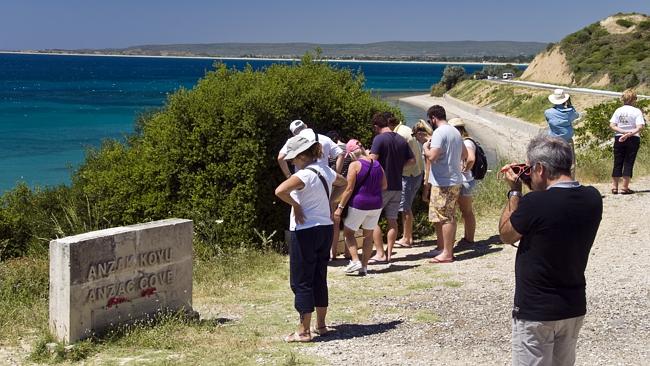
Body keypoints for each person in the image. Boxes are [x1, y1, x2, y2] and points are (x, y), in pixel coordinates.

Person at [498, 135, 602, 365]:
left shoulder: (534, 203)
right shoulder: (593, 198)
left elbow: (507, 234)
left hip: (536, 308)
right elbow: (556, 211)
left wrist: (515, 191)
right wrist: (534, 184)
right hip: (572, 305)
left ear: (541, 168)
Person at [275, 134, 347, 342]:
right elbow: (343, 183)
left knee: (301, 280)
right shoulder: (326, 170)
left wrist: (296, 205)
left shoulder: (304, 175)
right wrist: (329, 199)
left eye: (293, 158)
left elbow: (280, 190)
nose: (291, 161)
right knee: (319, 277)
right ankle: (321, 325)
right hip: (325, 228)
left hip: (305, 230)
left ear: (301, 156)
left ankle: (303, 330)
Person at [333, 139, 387, 276]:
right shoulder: (377, 164)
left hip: (359, 203)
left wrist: (340, 207)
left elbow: (349, 189)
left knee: (348, 233)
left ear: (351, 154)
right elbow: (384, 185)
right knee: (368, 236)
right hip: (376, 204)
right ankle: (364, 267)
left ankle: (355, 260)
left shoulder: (355, 165)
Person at [367, 112, 415, 264]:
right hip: (397, 184)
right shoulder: (400, 138)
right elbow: (412, 160)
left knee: (372, 220)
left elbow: (372, 161)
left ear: (376, 126)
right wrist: (399, 166)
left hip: (380, 186)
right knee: (392, 221)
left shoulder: (379, 139)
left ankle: (380, 253)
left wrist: (365, 155)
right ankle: (388, 254)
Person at [423, 105, 466, 263]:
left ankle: (447, 253)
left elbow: (432, 156)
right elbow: (465, 155)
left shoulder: (439, 132)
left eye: (430, 120)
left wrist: (425, 148)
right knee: (442, 216)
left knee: (445, 217)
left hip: (444, 181)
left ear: (433, 118)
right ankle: (443, 248)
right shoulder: (455, 131)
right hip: (453, 179)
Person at [390, 118, 425, 248]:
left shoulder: (399, 134)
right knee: (407, 205)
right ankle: (407, 236)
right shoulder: (405, 128)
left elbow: (405, 157)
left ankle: (407, 238)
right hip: (417, 172)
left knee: (405, 207)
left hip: (409, 174)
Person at [277, 120, 343, 179]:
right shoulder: (324, 138)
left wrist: (289, 176)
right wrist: (336, 174)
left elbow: (280, 158)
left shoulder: (292, 141)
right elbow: (341, 154)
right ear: (306, 125)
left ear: (293, 134)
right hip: (325, 179)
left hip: (303, 180)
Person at [610, 89, 645, 194]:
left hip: (619, 137)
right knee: (629, 162)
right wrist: (629, 133)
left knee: (617, 161)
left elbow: (612, 125)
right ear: (633, 99)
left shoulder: (618, 110)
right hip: (633, 138)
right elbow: (640, 126)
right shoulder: (636, 111)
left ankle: (614, 187)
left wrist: (623, 132)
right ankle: (625, 187)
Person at [325, 130, 353, 260]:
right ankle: (348, 252)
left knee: (335, 222)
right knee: (349, 222)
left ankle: (333, 251)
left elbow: (332, 173)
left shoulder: (332, 153)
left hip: (335, 191)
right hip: (349, 190)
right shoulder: (351, 150)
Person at [448, 118, 476, 245]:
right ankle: (468, 238)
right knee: (465, 212)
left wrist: (463, 171)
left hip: (463, 181)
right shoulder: (463, 141)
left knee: (462, 212)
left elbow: (471, 159)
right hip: (466, 180)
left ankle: (467, 239)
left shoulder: (466, 142)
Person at [544, 89, 580, 178]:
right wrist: (570, 105)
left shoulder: (548, 112)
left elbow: (548, 120)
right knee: (570, 163)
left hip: (553, 141)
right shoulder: (570, 112)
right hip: (567, 141)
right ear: (565, 100)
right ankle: (570, 182)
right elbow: (576, 115)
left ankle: (554, 181)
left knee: (554, 162)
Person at [412, 119, 434, 203]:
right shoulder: (435, 140)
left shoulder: (427, 145)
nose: (416, 140)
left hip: (433, 184)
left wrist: (425, 193)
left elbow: (428, 170)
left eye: (415, 136)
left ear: (420, 134)